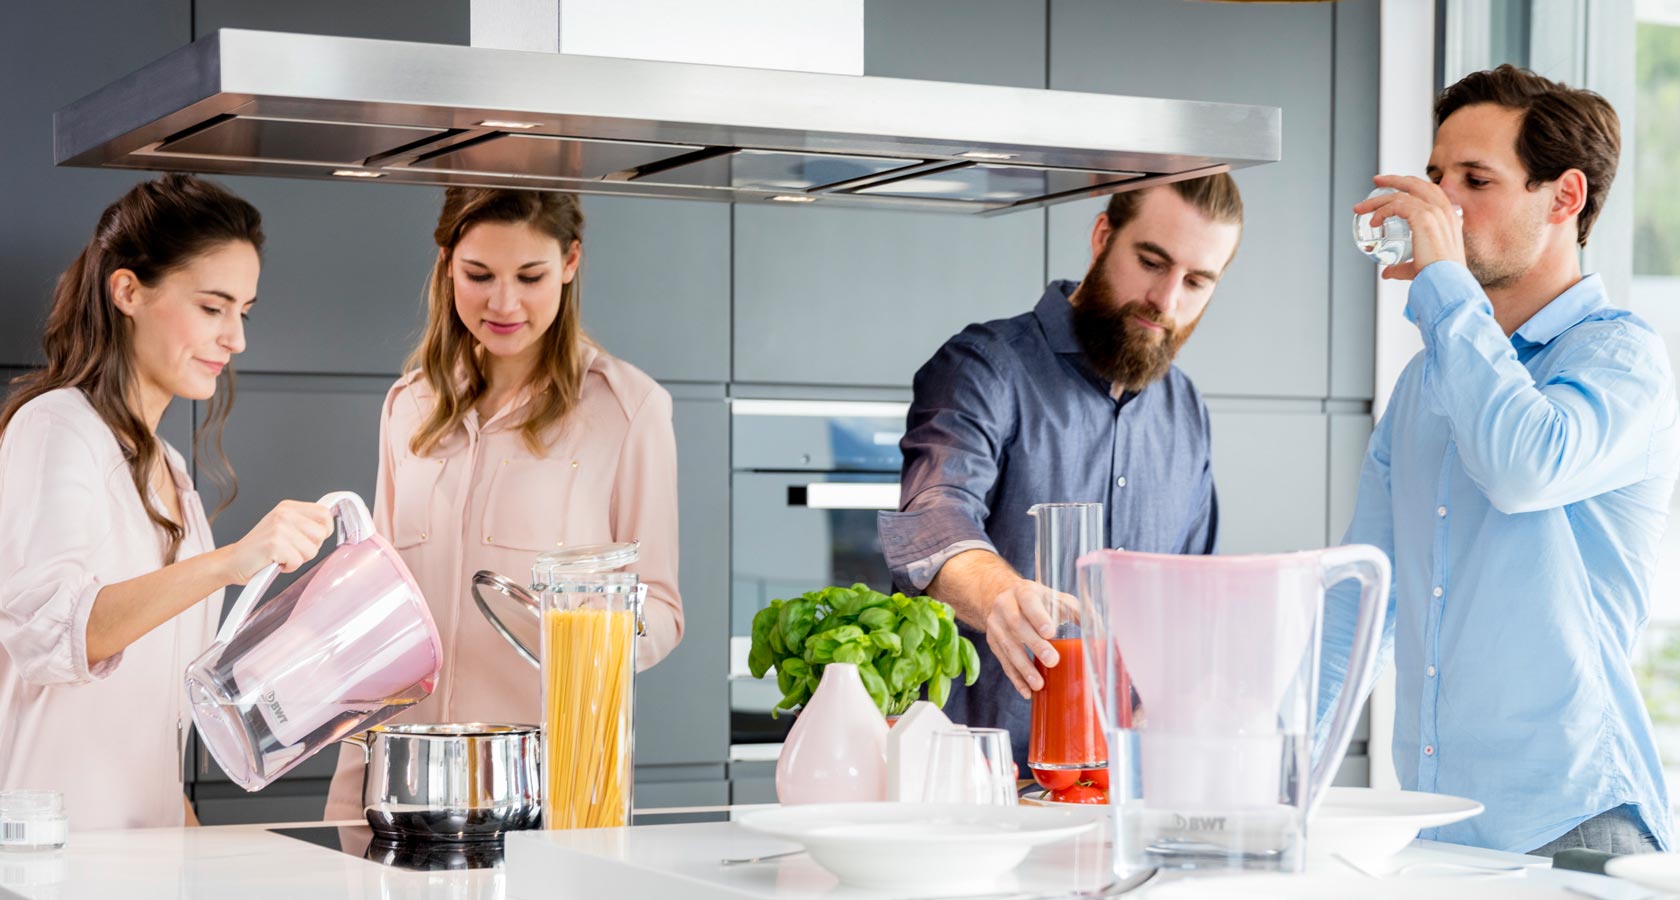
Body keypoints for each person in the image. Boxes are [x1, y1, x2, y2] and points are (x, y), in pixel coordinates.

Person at [1319, 64, 1677, 855]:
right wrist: (1280, 776)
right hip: (1442, 827)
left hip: (1577, 824)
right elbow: (1364, 599)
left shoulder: (1623, 358)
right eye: (1438, 175)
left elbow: (1525, 467)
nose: (1442, 203)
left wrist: (1446, 284)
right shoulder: (1428, 380)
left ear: (1564, 197)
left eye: (1475, 180)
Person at [324, 188, 682, 819]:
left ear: (571, 262)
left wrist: (587, 631)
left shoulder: (626, 410)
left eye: (531, 276)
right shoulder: (410, 404)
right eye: (479, 275)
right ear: (446, 263)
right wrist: (353, 778)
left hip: (547, 786)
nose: (504, 302)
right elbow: (379, 603)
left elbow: (662, 609)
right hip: (399, 780)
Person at [0, 174, 334, 830]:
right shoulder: (56, 426)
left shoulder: (171, 469)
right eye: (213, 307)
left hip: (140, 847)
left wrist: (182, 828)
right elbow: (51, 633)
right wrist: (233, 562)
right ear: (127, 291)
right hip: (51, 848)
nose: (236, 339)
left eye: (245, 310)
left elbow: (146, 711)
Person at [878, 175, 1243, 767]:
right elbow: (933, 516)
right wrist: (1001, 595)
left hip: (1118, 793)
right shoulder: (985, 366)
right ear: (1103, 237)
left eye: (1197, 281)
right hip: (972, 789)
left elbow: (1192, 596)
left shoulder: (1187, 411)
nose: (1167, 300)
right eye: (1151, 262)